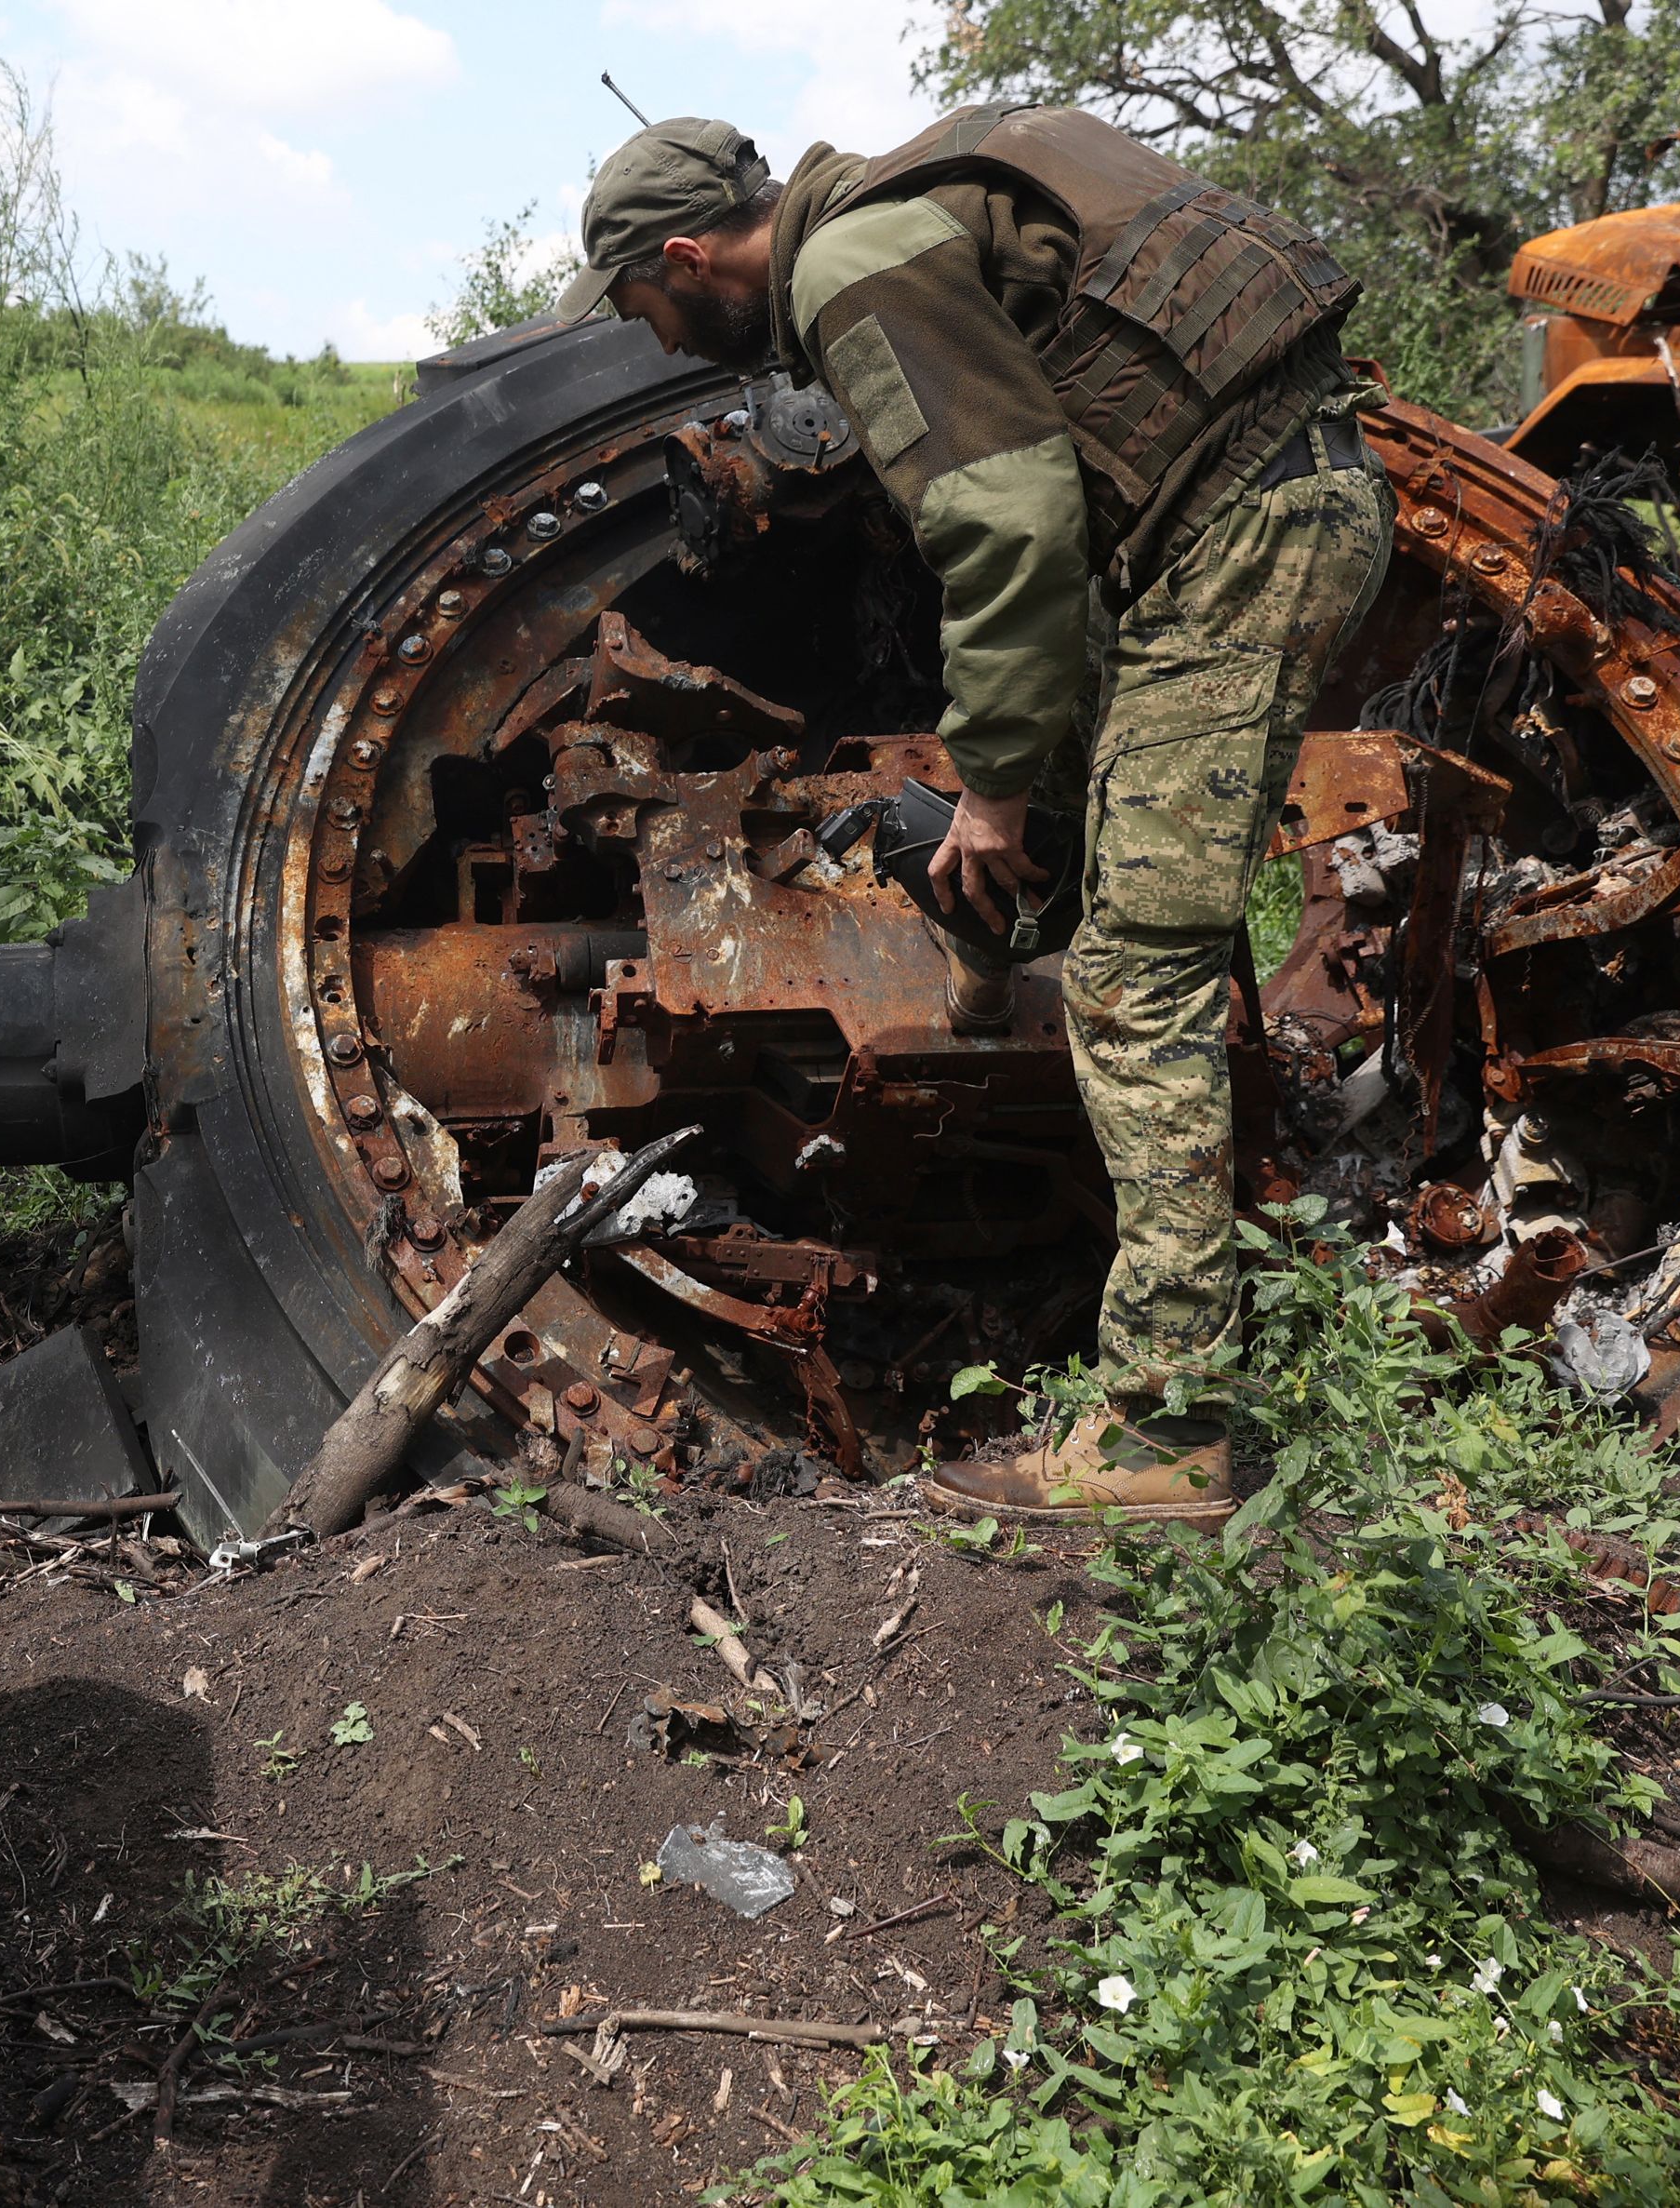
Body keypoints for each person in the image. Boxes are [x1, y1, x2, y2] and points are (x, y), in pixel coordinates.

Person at [554, 107, 1395, 1526]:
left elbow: (1010, 528)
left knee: (1137, 979)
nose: (651, 337)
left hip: (1240, 541)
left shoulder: (851, 270)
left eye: (641, 302)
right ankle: (992, 975)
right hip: (1247, 516)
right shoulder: (919, 203)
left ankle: (1166, 1430)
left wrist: (995, 783)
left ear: (686, 256)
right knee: (1051, 849)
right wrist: (1016, 813)